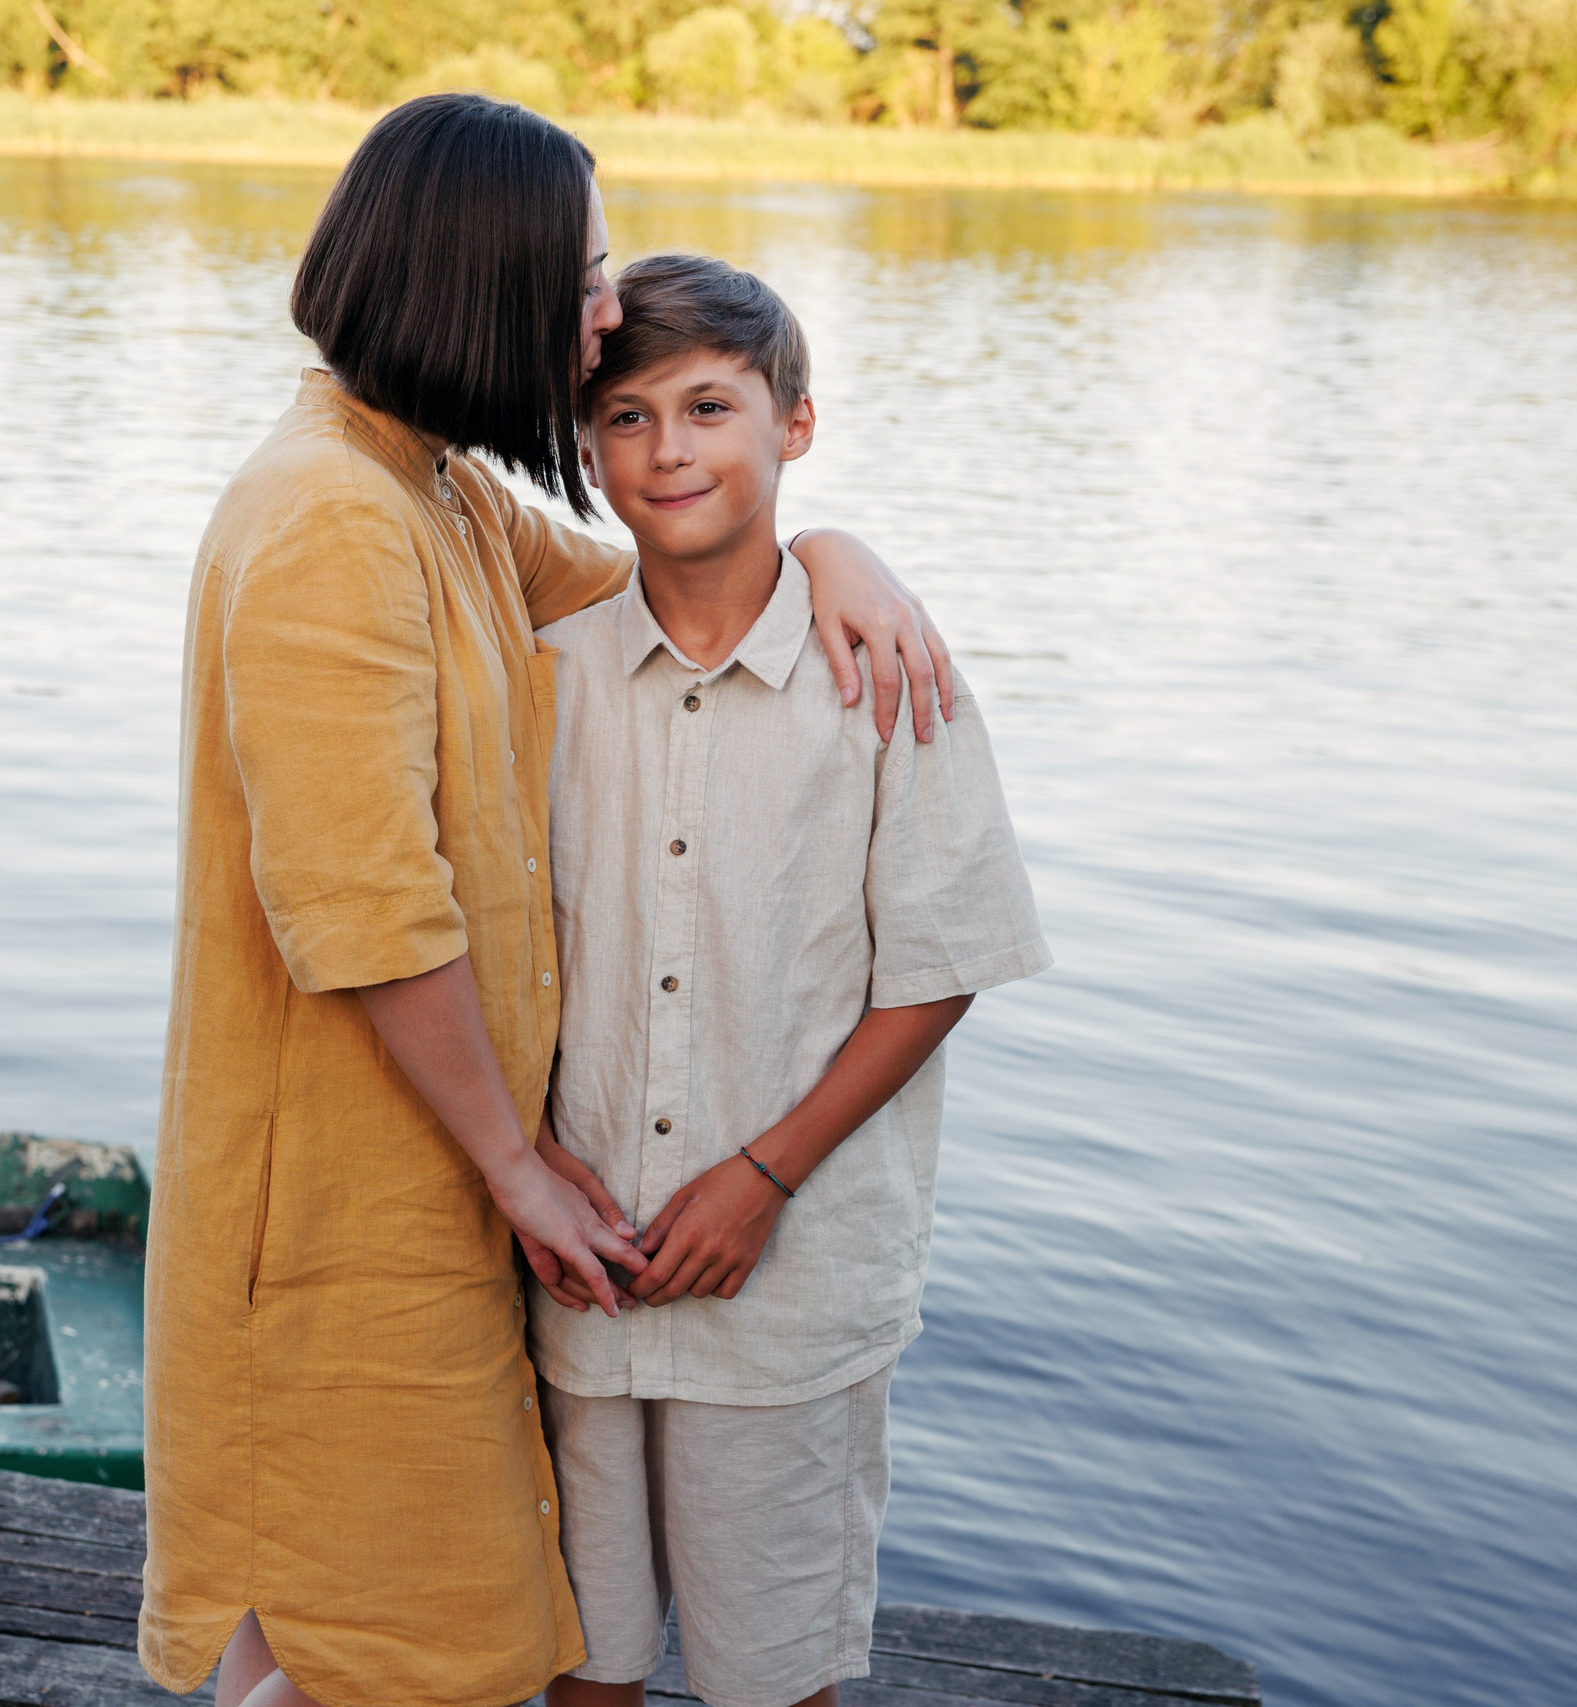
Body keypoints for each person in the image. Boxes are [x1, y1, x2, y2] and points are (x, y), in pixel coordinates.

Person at [140, 98, 960, 1707]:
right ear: (485, 277)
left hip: (431, 1177)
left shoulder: (430, 493)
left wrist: (842, 550)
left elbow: (662, 586)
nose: (602, 316)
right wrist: (518, 1166)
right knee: (353, 1636)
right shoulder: (328, 519)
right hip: (333, 1208)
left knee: (385, 1625)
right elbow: (362, 909)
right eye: (584, 277)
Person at [525, 253, 1053, 1707]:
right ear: (583, 447)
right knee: (585, 1664)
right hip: (586, 1275)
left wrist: (764, 1175)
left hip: (791, 1289)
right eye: (625, 418)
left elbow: (937, 971)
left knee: (780, 1676)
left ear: (794, 426)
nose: (670, 449)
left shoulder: (885, 675)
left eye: (708, 407)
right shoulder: (546, 676)